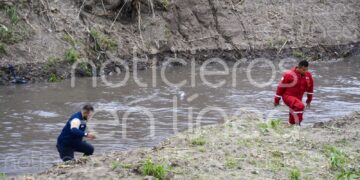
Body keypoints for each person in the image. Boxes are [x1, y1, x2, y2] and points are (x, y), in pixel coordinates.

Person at [274, 60, 314, 125]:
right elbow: (280, 88)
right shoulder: (289, 74)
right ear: (299, 68)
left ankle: (291, 124)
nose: (305, 72)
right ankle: (298, 124)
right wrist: (276, 100)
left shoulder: (308, 75)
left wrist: (309, 100)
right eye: (304, 70)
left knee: (294, 110)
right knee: (300, 106)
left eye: (307, 70)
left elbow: (310, 89)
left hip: (298, 97)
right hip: (287, 96)